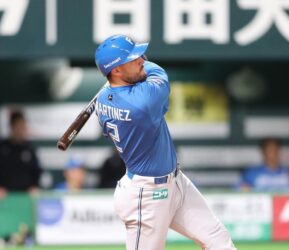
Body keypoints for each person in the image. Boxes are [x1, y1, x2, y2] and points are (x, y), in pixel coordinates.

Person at [94, 35, 236, 250]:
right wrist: (134, 70)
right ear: (116, 70)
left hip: (176, 182)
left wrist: (126, 68)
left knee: (217, 239)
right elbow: (157, 71)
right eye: (134, 58)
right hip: (147, 194)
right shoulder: (143, 102)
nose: (142, 59)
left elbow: (129, 79)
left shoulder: (104, 99)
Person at [0, 110, 42, 198]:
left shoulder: (30, 148)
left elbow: (36, 171)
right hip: (4, 196)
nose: (22, 130)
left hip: (26, 195)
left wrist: (34, 187)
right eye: (19, 126)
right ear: (12, 127)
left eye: (23, 126)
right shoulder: (2, 147)